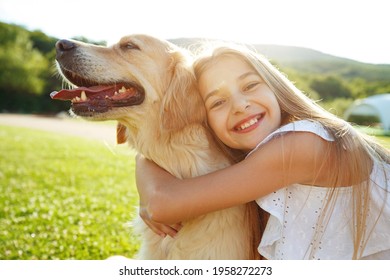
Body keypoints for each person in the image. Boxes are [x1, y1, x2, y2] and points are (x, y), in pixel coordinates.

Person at [135, 42, 390, 260]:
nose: (240, 105)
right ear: (206, 122)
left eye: (249, 86)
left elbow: (162, 204)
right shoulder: (256, 160)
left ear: (275, 87)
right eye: (218, 102)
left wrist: (144, 164)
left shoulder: (304, 144)